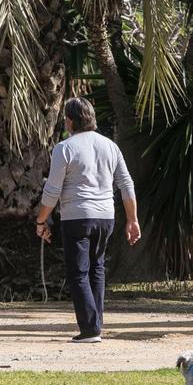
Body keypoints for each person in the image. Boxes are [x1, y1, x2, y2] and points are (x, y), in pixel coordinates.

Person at [35, 97, 140, 344]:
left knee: (78, 273)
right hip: (105, 217)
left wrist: (41, 221)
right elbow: (126, 184)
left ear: (70, 121)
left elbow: (52, 190)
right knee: (97, 269)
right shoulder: (110, 146)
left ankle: (90, 329)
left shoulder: (65, 148)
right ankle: (96, 325)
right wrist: (132, 220)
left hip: (77, 217)